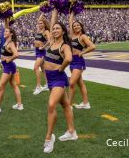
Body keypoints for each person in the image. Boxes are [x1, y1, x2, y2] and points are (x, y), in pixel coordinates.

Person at [43, 9, 77, 154]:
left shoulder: (64, 45)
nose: (55, 30)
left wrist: (61, 68)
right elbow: (51, 23)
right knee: (66, 105)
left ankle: (49, 138)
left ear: (63, 31)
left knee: (51, 105)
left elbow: (69, 58)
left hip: (58, 79)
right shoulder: (51, 41)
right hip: (50, 78)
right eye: (54, 28)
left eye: (58, 28)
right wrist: (55, 9)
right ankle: (72, 132)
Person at [0, 20, 23, 116]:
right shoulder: (6, 41)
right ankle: (19, 105)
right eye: (4, 31)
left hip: (9, 67)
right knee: (14, 85)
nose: (4, 32)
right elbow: (7, 26)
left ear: (10, 34)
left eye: (6, 31)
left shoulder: (10, 43)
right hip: (7, 66)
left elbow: (16, 54)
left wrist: (9, 60)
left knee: (1, 86)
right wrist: (5, 19)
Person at [67, 12, 95, 109]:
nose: (76, 27)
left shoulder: (82, 36)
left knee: (71, 83)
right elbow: (70, 22)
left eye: (78, 25)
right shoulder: (72, 35)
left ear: (81, 26)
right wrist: (71, 13)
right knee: (80, 83)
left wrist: (82, 53)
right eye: (74, 26)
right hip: (72, 61)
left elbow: (92, 46)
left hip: (78, 61)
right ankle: (86, 103)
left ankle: (69, 105)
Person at [33, 14, 51, 95]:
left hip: (41, 52)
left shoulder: (46, 31)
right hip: (37, 51)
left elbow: (50, 41)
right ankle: (47, 85)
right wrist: (43, 11)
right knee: (43, 69)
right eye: (39, 23)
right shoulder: (38, 30)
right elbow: (39, 19)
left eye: (41, 23)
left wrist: (43, 47)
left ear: (44, 24)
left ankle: (39, 86)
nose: (40, 24)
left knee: (36, 67)